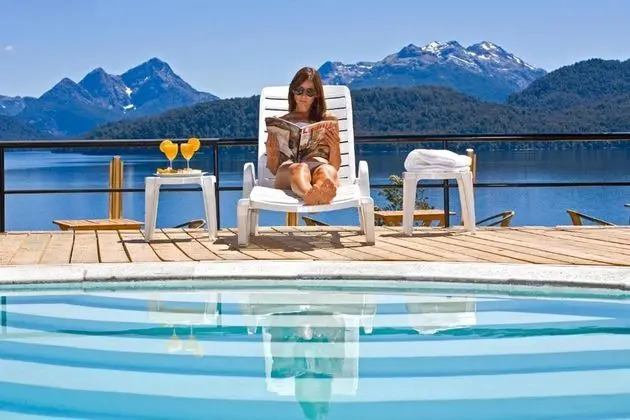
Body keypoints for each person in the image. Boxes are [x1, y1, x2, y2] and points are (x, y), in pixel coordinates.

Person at [265, 67, 341, 206]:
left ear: (317, 95)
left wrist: (335, 146)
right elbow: (273, 169)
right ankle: (309, 193)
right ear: (293, 91)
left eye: (310, 92)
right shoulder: (281, 122)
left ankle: (322, 192)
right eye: (299, 90)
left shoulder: (328, 121)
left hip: (319, 164)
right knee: (299, 168)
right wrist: (272, 154)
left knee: (326, 171)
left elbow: (335, 166)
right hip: (290, 169)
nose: (303, 96)